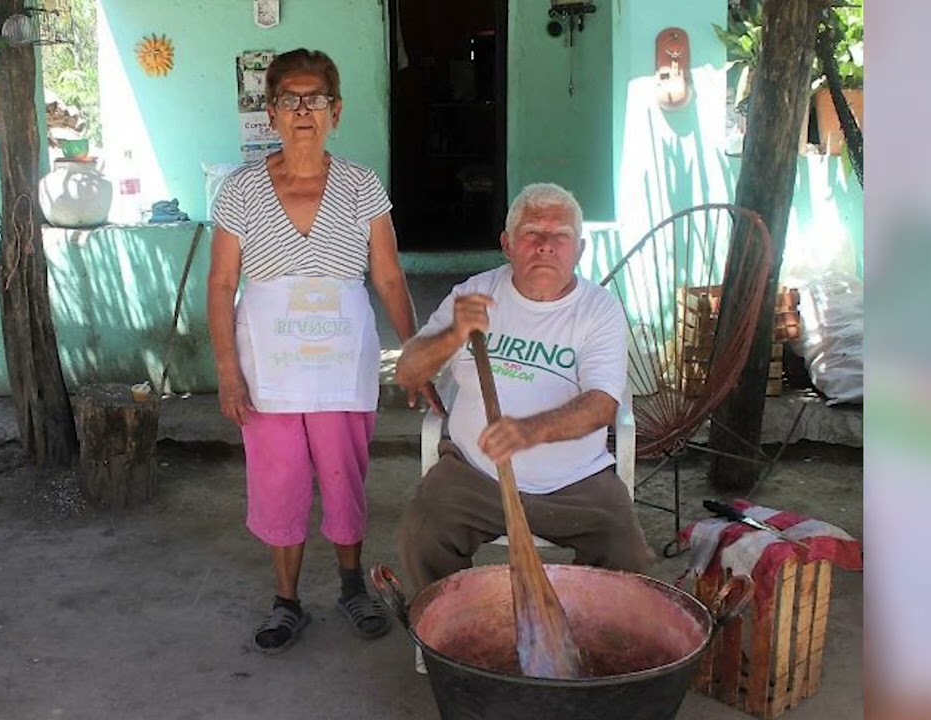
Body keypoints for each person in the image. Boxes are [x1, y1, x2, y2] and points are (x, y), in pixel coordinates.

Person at [207, 48, 437, 655]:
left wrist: (415, 352)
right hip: (269, 369)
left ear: (336, 111)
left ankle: (351, 585)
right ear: (271, 112)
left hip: (341, 363)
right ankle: (286, 601)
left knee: (343, 475)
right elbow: (222, 284)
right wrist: (228, 371)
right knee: (279, 479)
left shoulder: (362, 185)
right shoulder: (240, 190)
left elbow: (387, 276)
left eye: (316, 99)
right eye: (290, 99)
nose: (303, 110)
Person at [394, 182, 655, 596]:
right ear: (507, 244)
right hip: (475, 474)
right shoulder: (473, 294)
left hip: (574, 483)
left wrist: (528, 431)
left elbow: (603, 405)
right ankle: (454, 627)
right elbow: (407, 372)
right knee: (423, 534)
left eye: (560, 235)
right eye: (532, 232)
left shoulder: (599, 309)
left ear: (580, 249)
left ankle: (587, 631)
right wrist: (454, 334)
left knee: (626, 553)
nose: (546, 245)